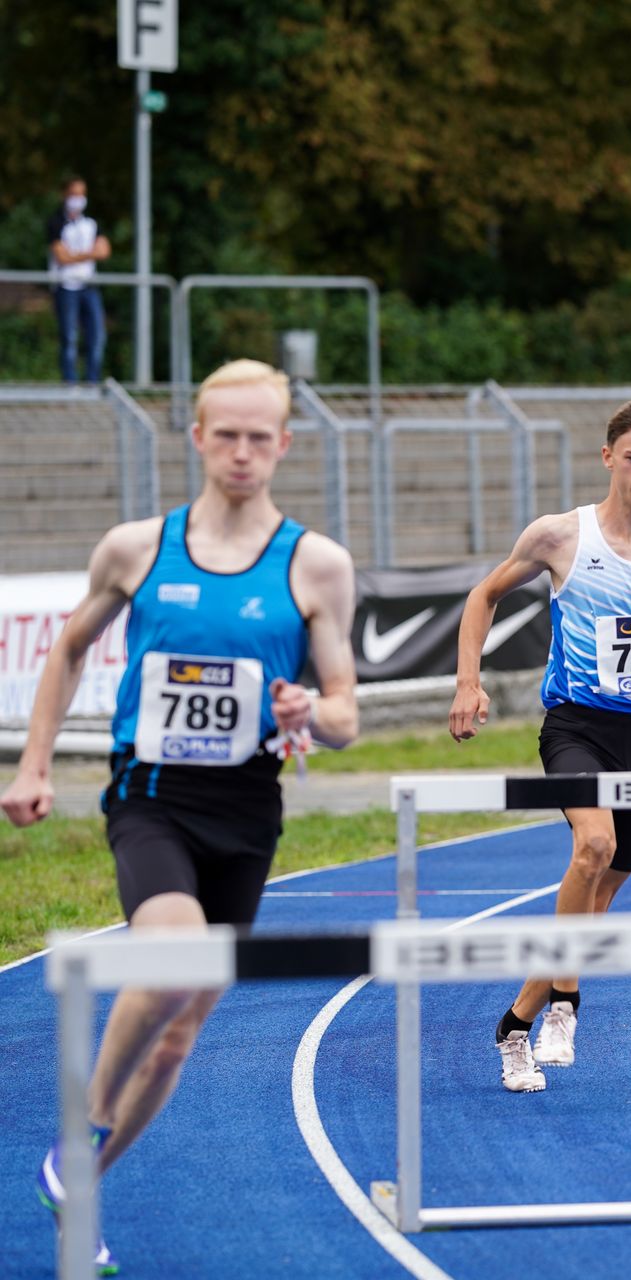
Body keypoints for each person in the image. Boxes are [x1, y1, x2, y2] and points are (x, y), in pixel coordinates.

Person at [3, 359, 359, 1273]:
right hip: (152, 797)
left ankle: (80, 1186)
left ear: (283, 445)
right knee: (170, 955)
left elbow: (347, 716)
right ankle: (78, 1138)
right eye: (225, 435)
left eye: (259, 438)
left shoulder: (315, 564)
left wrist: (304, 712)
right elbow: (68, 652)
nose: (242, 453)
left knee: (181, 1030)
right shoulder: (136, 548)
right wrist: (34, 764)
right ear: (196, 438)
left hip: (248, 810)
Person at [448, 398, 631, 1092]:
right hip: (575, 726)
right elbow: (483, 595)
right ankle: (567, 1005)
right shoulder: (559, 536)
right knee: (593, 847)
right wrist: (467, 682)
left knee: (595, 904)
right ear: (608, 458)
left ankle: (516, 1024)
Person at [47, 176, 112, 385]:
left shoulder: (91, 223)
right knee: (69, 338)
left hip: (89, 286)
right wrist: (89, 253)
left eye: (81, 194)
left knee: (97, 337)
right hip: (66, 287)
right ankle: (70, 385)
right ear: (64, 195)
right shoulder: (56, 222)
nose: (78, 199)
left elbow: (104, 251)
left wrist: (75, 255)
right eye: (74, 194)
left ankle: (92, 383)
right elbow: (61, 257)